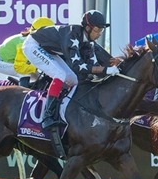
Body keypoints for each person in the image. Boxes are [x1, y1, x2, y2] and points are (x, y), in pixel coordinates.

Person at [21, 10, 120, 158]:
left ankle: (61, 105)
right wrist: (106, 70)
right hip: (33, 46)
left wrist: (112, 68)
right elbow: (78, 66)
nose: (99, 33)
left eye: (101, 30)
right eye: (97, 29)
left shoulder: (88, 42)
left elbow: (92, 67)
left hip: (48, 49)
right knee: (61, 75)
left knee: (72, 79)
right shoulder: (72, 35)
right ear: (87, 27)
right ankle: (48, 114)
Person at [0, 16, 54, 86]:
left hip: (11, 60)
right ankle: (22, 94)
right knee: (24, 72)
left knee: (38, 78)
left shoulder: (33, 39)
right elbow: (21, 66)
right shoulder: (25, 44)